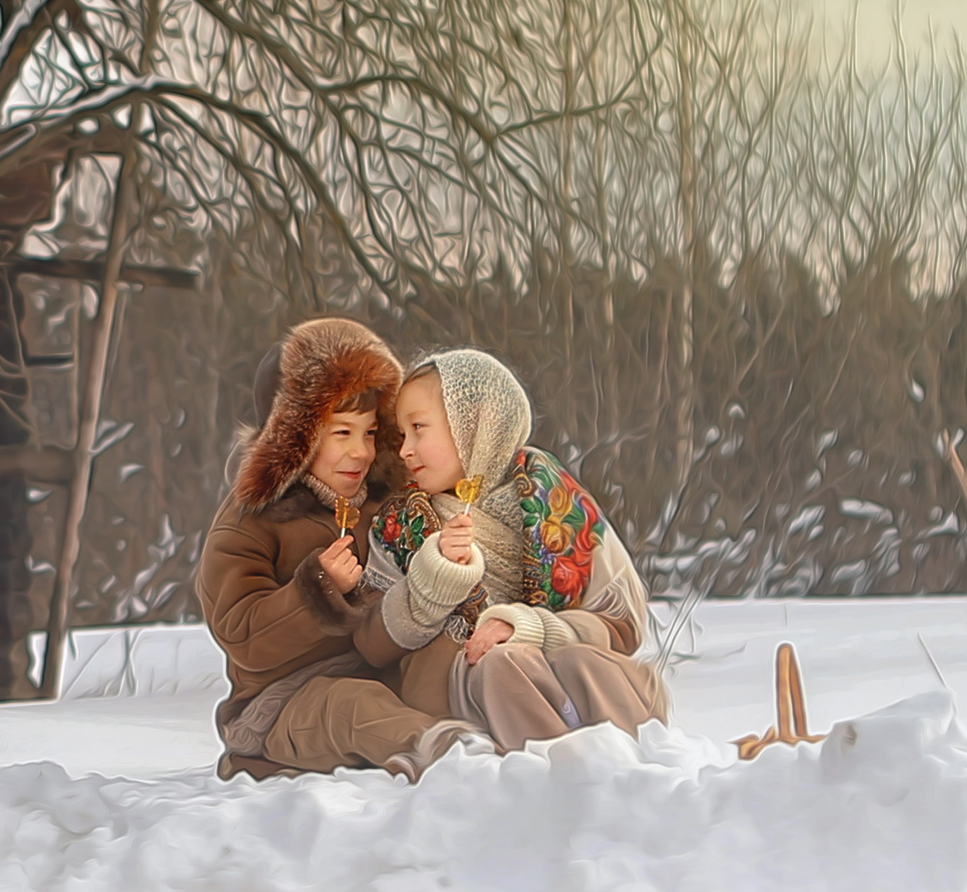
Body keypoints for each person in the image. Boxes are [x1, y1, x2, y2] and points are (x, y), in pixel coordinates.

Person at [196, 318, 490, 782]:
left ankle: (512, 741)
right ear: (294, 441)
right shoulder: (251, 522)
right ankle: (449, 757)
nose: (360, 452)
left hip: (378, 670)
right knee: (352, 706)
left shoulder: (388, 505)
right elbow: (242, 635)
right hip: (282, 702)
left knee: (445, 653)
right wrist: (316, 591)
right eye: (341, 434)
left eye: (370, 433)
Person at [362, 348, 668, 745]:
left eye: (419, 428)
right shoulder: (401, 522)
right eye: (402, 435)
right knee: (503, 665)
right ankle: (560, 772)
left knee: (583, 664)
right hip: (453, 686)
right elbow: (372, 646)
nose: (405, 450)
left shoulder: (551, 495)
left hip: (552, 664)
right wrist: (431, 584)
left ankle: (640, 764)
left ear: (476, 424)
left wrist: (526, 627)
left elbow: (620, 625)